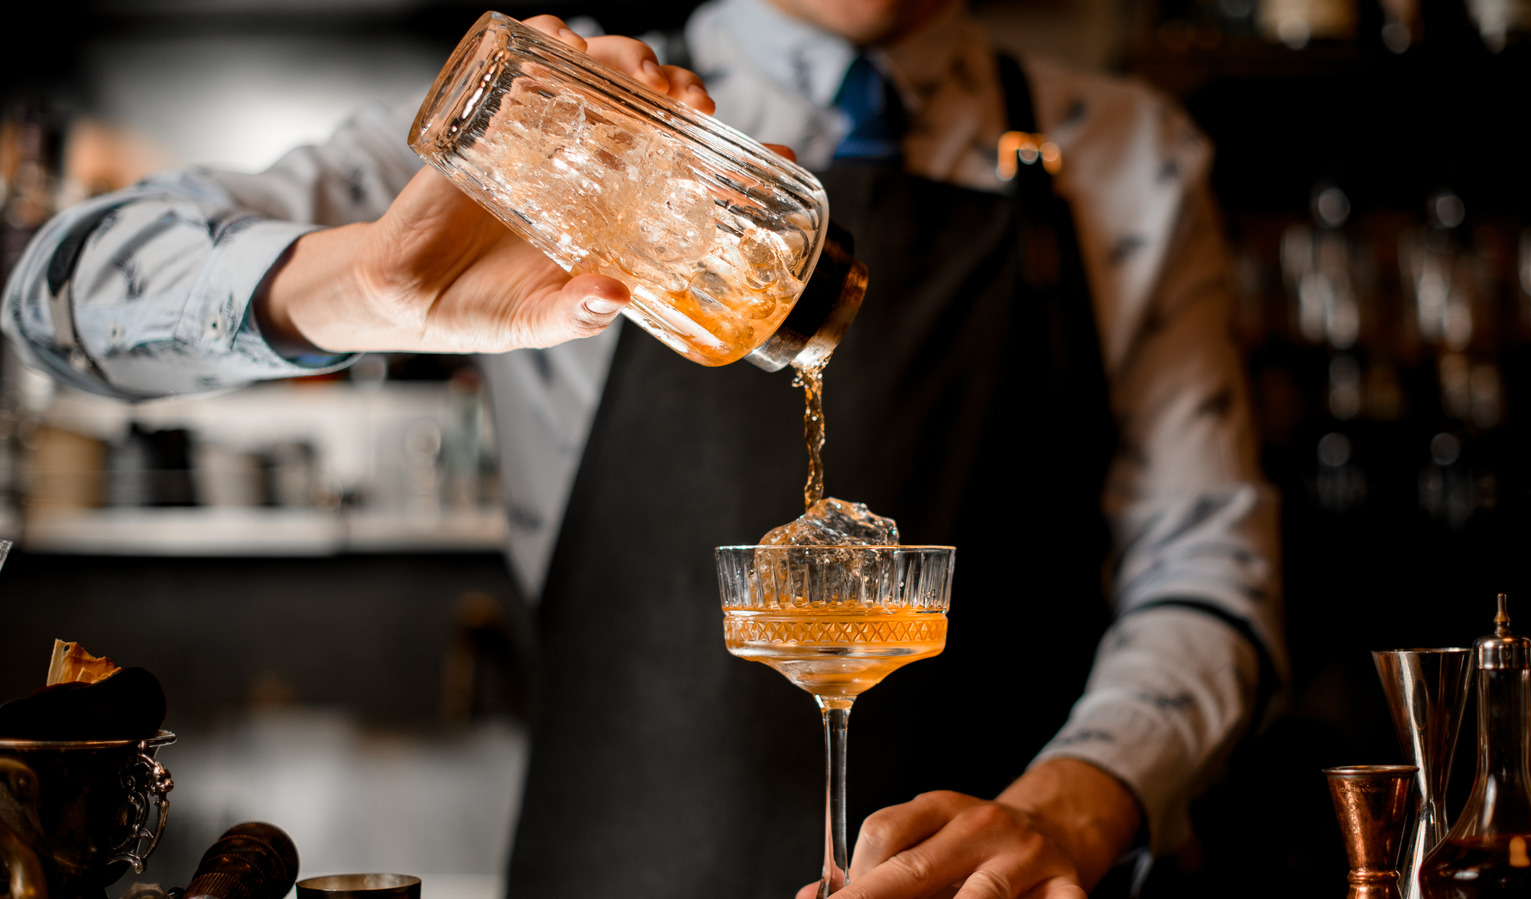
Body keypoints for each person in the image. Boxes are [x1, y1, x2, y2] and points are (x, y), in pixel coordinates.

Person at [3, 1, 1284, 896]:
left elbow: (1208, 582)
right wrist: (366, 287)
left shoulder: (1129, 158)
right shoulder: (553, 131)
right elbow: (52, 297)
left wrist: (1071, 807)